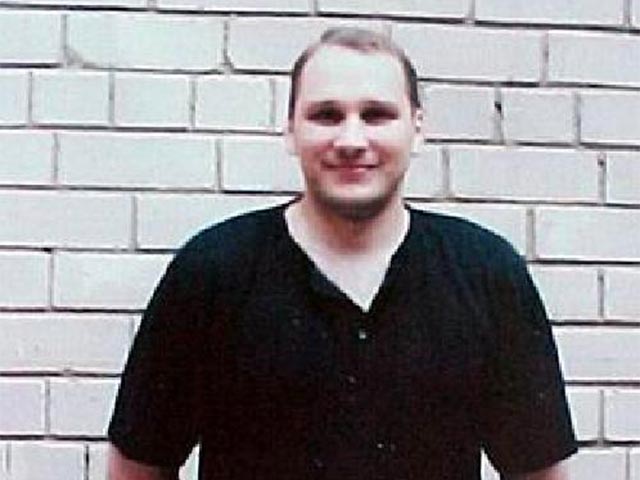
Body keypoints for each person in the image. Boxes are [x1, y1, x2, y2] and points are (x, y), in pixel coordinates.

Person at [107, 27, 577, 479]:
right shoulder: (213, 272)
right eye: (326, 115)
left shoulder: (487, 273)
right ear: (290, 130)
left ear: (417, 129)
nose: (351, 141)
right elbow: (138, 465)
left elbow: (539, 470)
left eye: (376, 115)